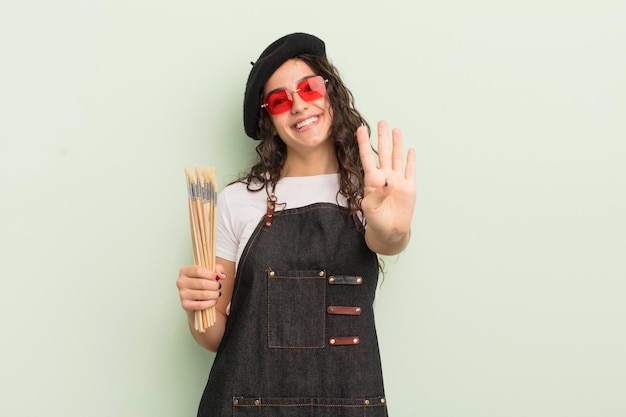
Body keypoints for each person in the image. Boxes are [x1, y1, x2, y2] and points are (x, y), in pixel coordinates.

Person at [176, 32, 416, 416]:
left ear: (330, 90)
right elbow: (213, 334)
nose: (299, 105)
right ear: (268, 119)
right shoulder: (237, 201)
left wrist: (394, 228)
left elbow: (387, 237)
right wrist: (197, 308)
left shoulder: (370, 192)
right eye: (279, 100)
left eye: (308, 87)